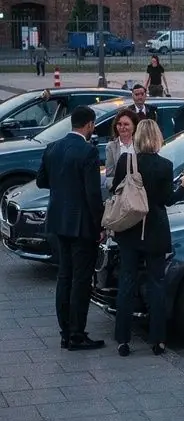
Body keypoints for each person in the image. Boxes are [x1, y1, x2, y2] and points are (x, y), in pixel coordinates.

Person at [35, 105, 104, 350]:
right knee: (81, 280)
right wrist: (100, 224)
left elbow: (42, 180)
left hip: (57, 222)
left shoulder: (52, 148)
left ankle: (65, 331)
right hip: (81, 225)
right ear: (89, 125)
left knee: (64, 276)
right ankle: (77, 333)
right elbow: (93, 194)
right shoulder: (88, 152)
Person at [112, 118, 175, 357]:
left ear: (137, 137)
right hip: (155, 230)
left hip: (129, 228)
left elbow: (116, 190)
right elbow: (168, 199)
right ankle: (158, 339)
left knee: (126, 282)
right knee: (157, 284)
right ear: (157, 138)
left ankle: (123, 339)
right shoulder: (165, 165)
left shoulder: (125, 161)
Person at [104, 108, 138, 192]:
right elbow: (109, 175)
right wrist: (117, 189)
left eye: (126, 124)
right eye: (119, 124)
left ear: (134, 126)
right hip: (119, 192)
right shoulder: (111, 147)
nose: (122, 127)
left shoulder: (140, 145)